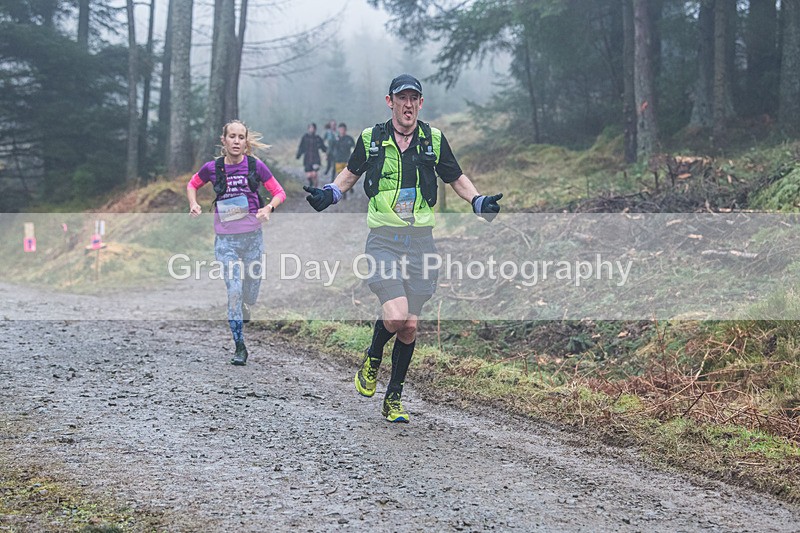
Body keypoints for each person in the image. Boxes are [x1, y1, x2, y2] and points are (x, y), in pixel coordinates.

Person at [304, 74, 502, 422]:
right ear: (390, 101)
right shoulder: (371, 138)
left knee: (409, 326)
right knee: (396, 315)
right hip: (383, 239)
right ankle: (373, 355)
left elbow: (455, 177)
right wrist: (329, 194)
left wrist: (478, 201)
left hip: (420, 242)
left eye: (414, 98)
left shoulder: (434, 140)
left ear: (420, 104)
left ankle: (393, 397)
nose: (408, 104)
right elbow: (349, 175)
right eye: (402, 98)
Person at [187, 120, 286, 366]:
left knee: (250, 291)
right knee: (233, 291)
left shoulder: (255, 166)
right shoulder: (213, 168)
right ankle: (240, 346)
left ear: (246, 141)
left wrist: (268, 208)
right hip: (226, 241)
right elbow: (192, 184)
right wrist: (194, 203)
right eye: (232, 136)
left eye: (241, 137)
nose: (236, 141)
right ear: (224, 140)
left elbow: (279, 192)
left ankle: (246, 305)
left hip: (252, 238)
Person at [296, 123, 326, 188]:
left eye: (313, 128)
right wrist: (298, 155)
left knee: (314, 174)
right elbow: (301, 147)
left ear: (315, 129)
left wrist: (327, 152)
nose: (312, 129)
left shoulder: (317, 138)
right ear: (308, 129)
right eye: (310, 128)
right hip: (307, 158)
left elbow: (323, 147)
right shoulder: (305, 137)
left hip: (316, 158)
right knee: (309, 175)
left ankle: (315, 189)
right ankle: (311, 182)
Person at [331, 122, 355, 196]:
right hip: (338, 160)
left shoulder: (349, 138)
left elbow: (354, 147)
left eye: (343, 129)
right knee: (340, 176)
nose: (342, 131)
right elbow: (331, 148)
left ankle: (349, 187)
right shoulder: (335, 139)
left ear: (345, 130)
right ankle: (343, 193)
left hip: (347, 160)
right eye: (340, 129)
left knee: (347, 176)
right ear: (339, 130)